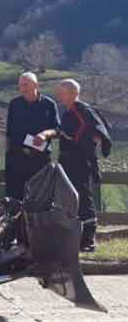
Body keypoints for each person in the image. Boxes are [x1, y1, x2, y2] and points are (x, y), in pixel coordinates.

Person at [42, 79, 112, 252]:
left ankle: (88, 239)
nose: (59, 96)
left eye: (62, 92)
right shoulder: (68, 112)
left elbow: (96, 129)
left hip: (79, 161)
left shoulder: (82, 109)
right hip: (68, 161)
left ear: (73, 93)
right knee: (71, 197)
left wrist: (73, 138)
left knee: (83, 197)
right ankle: (76, 236)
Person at [5, 72, 61, 201]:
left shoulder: (49, 104)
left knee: (40, 195)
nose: (22, 88)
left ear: (36, 85)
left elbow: (57, 129)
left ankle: (39, 221)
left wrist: (45, 134)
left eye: (25, 85)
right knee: (15, 196)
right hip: (17, 158)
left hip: (40, 158)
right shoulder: (14, 104)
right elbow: (9, 133)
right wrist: (8, 158)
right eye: (20, 85)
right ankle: (16, 220)